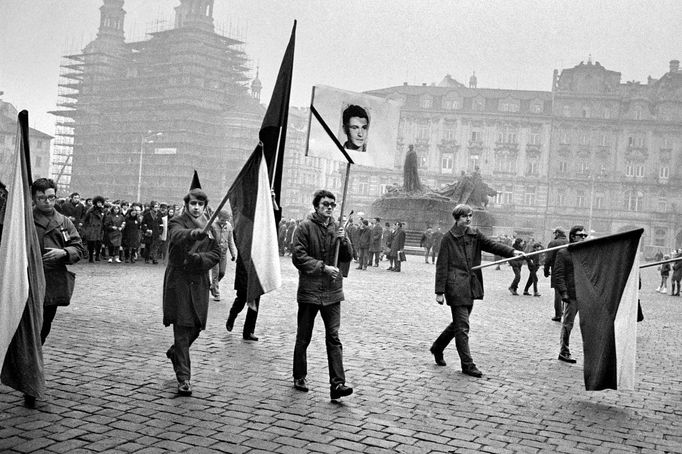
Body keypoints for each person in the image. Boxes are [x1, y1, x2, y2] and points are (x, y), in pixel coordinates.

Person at [431, 204, 521, 377]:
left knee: (458, 325)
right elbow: (441, 265)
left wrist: (512, 251)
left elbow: (492, 245)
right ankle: (468, 365)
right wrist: (439, 291)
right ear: (457, 218)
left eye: (470, 216)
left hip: (471, 286)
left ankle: (437, 347)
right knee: (463, 327)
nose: (469, 219)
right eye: (465, 216)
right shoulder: (448, 238)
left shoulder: (475, 234)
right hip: (455, 287)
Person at [291, 189, 354, 400]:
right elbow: (299, 257)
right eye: (325, 204)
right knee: (304, 336)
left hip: (333, 292)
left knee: (334, 338)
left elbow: (347, 256)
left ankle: (338, 384)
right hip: (310, 291)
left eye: (333, 205)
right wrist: (323, 267)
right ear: (316, 205)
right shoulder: (304, 228)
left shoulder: (337, 228)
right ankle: (299, 375)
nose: (329, 207)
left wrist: (344, 240)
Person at [163, 189, 221, 396]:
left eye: (200, 204)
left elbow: (216, 253)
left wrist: (200, 260)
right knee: (181, 327)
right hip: (179, 282)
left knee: (196, 326)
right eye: (193, 203)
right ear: (187, 204)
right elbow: (177, 236)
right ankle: (184, 379)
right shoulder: (177, 221)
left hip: (199, 282)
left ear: (205, 207)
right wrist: (195, 233)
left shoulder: (212, 226)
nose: (196, 208)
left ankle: (175, 353)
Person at [553, 225, 589, 364]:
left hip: (585, 294)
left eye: (585, 236)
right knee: (568, 324)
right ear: (573, 236)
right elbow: (559, 274)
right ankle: (564, 351)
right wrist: (564, 293)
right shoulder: (563, 253)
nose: (584, 238)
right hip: (571, 295)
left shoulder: (586, 252)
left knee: (589, 324)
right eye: (581, 235)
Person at [210, 210, 237, 302]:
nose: (223, 222)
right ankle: (216, 294)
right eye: (222, 220)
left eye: (225, 220)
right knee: (215, 273)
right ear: (218, 217)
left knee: (222, 273)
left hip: (223, 254)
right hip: (214, 253)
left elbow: (230, 241)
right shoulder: (212, 226)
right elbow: (209, 240)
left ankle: (213, 286)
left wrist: (233, 254)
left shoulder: (229, 226)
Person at [543, 227, 568, 321]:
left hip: (556, 270)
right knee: (566, 291)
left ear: (557, 233)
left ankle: (558, 314)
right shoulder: (568, 242)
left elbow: (548, 258)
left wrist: (546, 270)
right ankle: (565, 313)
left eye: (555, 233)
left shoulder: (553, 243)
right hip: (568, 270)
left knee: (558, 293)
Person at [82, 196, 105, 262]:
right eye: (98, 202)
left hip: (99, 229)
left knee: (99, 243)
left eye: (101, 203)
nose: (99, 204)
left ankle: (97, 256)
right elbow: (86, 220)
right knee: (91, 244)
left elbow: (104, 220)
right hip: (91, 229)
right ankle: (91, 257)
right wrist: (86, 229)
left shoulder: (103, 211)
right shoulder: (90, 210)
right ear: (95, 203)